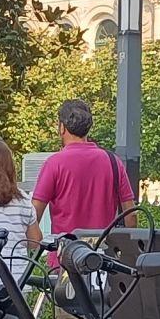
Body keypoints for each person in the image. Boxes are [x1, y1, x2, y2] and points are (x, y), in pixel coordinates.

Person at [29, 98, 133, 238]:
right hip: (102, 254)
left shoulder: (54, 164)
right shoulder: (114, 162)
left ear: (62, 128)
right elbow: (131, 216)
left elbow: (33, 216)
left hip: (65, 254)